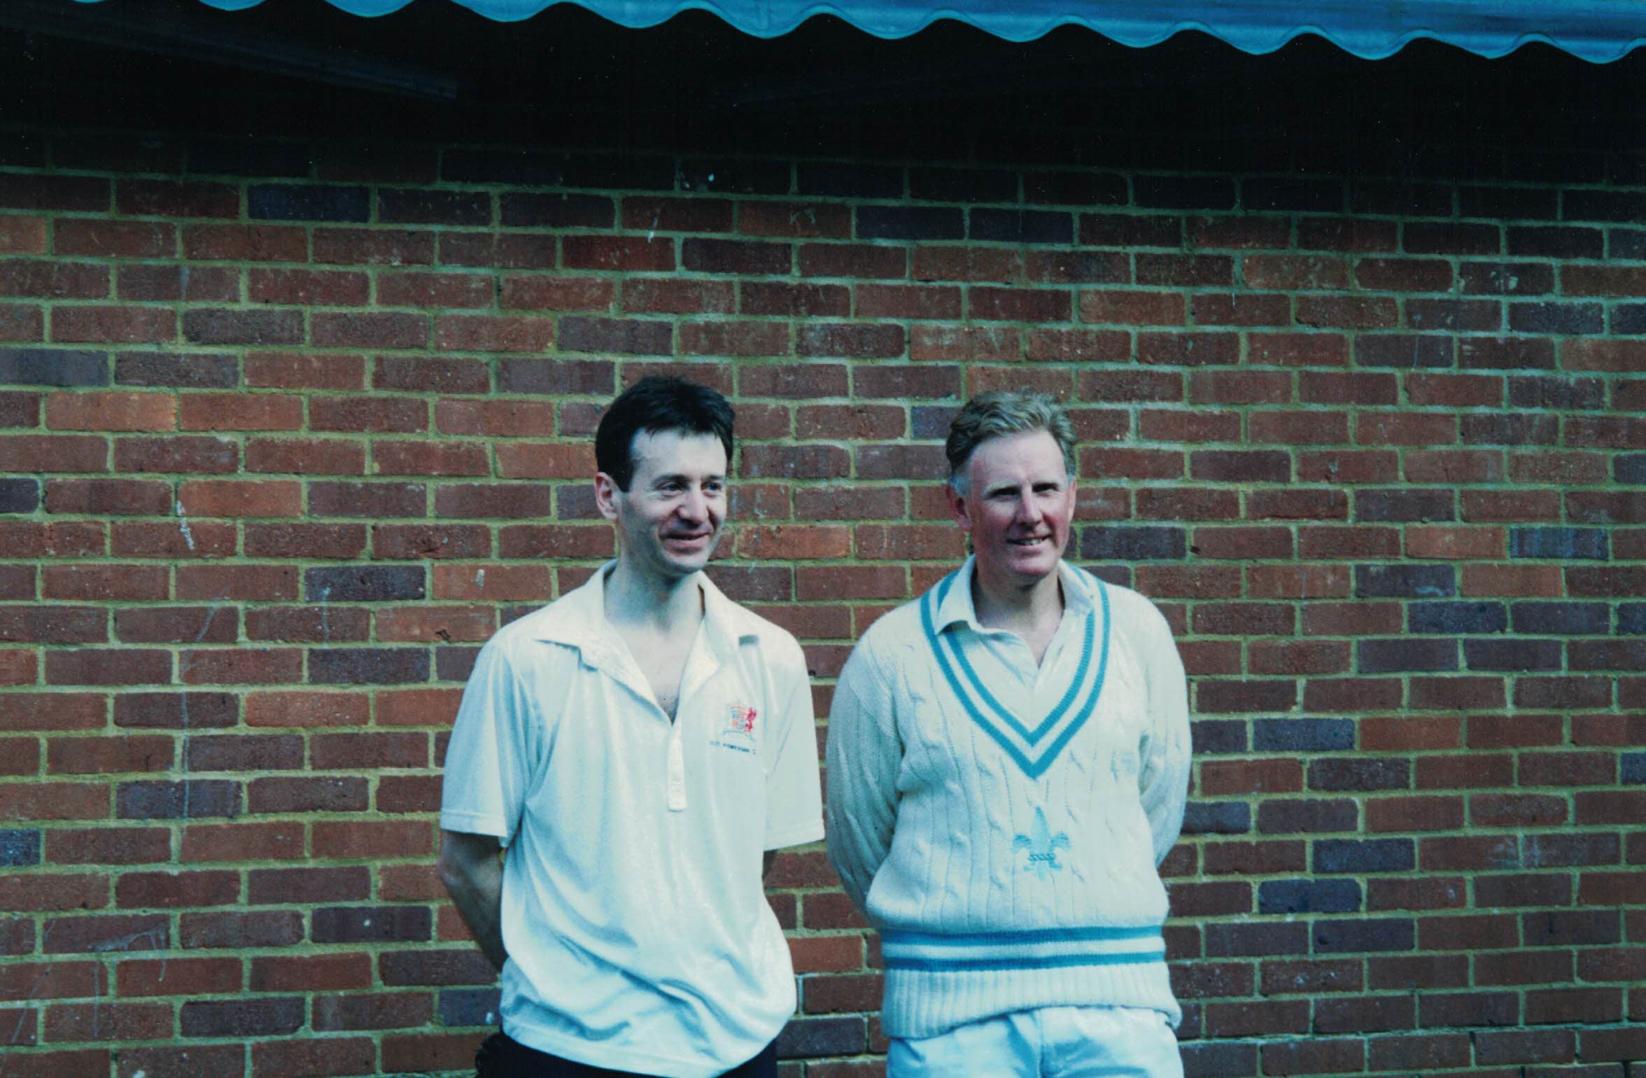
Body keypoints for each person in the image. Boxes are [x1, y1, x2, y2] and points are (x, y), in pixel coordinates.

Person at [439, 376, 824, 1078]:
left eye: (714, 486)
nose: (697, 510)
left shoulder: (770, 658)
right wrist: (556, 977)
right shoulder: (527, 659)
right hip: (567, 1050)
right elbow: (466, 861)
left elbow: (751, 858)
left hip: (735, 1045)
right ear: (608, 495)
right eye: (670, 485)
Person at [825, 391, 1191, 1077]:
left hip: (1119, 1017)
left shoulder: (1137, 634)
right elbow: (858, 839)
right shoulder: (892, 655)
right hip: (951, 1030)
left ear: (1073, 497)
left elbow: (1155, 809)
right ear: (960, 508)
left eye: (1046, 489)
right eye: (1003, 494)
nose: (1031, 515)